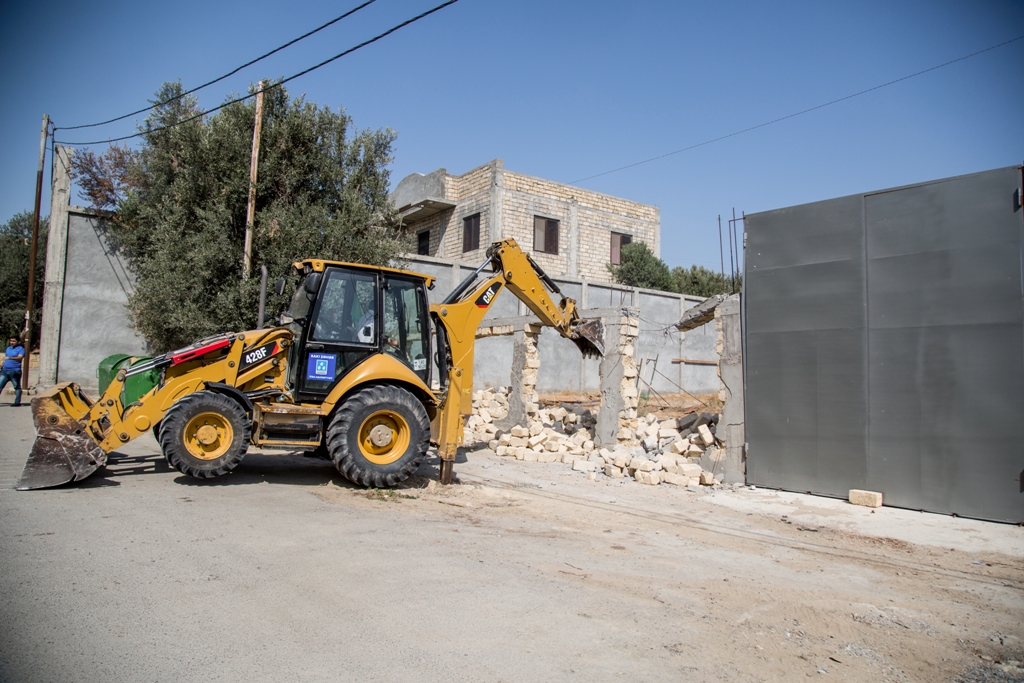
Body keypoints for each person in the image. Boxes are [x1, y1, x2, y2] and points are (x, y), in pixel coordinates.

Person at [1, 336, 25, 407]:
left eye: (13, 341)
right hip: (5, 371)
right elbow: (5, 358)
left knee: (17, 387)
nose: (12, 342)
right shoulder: (8, 348)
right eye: (11, 341)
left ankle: (17, 402)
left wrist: (10, 358)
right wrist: (2, 365)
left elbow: (20, 357)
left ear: (18, 342)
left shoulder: (21, 349)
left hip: (15, 371)